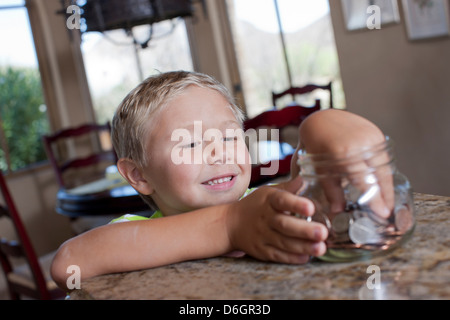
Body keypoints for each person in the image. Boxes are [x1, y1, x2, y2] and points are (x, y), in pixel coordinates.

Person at [51, 71, 388, 290]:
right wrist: (229, 225)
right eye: (192, 143)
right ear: (139, 175)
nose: (219, 153)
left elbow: (314, 184)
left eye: (229, 137)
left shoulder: (263, 205)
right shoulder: (135, 231)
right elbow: (68, 264)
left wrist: (323, 125)